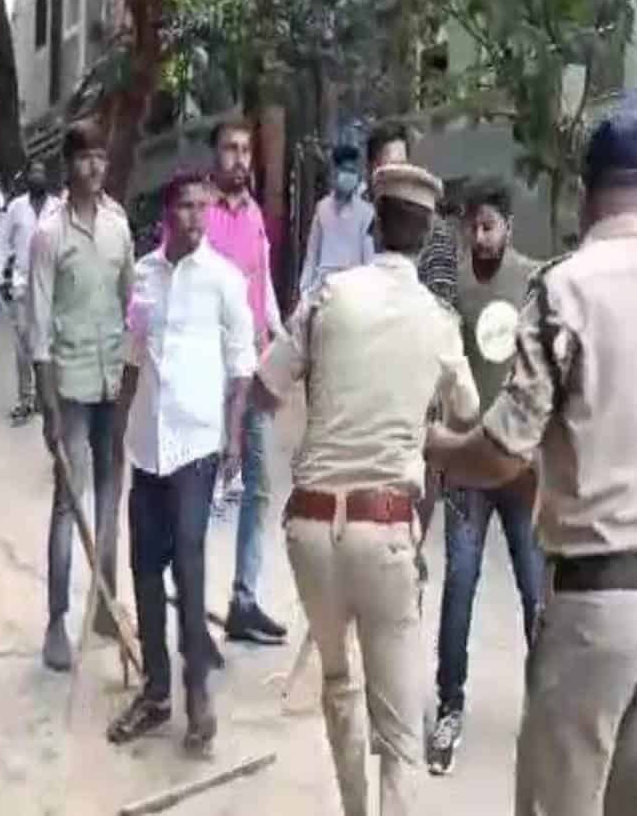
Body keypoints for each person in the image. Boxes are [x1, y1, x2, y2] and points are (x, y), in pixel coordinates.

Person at [425, 112, 637, 816]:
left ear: (584, 193)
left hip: (596, 606)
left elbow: (502, 450)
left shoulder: (563, 289)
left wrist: (435, 447)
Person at [253, 163, 478, 815]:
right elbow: (465, 416)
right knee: (401, 732)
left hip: (311, 529)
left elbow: (265, 389)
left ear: (375, 224)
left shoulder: (329, 296)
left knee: (338, 681)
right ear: (428, 236)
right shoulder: (438, 321)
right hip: (384, 534)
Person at [107, 171, 255, 754]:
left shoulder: (224, 279)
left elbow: (241, 366)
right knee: (145, 568)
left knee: (188, 566)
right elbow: (134, 355)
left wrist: (234, 437)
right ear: (167, 212)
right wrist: (117, 429)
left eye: (203, 207)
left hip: (196, 445)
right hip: (147, 444)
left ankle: (197, 692)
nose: (197, 217)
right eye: (187, 207)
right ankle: (156, 692)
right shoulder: (144, 275)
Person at [427, 176, 543, 776]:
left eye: (489, 226)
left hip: (520, 466)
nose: (480, 236)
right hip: (466, 466)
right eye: (472, 226)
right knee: (460, 584)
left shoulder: (533, 282)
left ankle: (549, 708)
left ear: (508, 228)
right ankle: (450, 706)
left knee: (536, 590)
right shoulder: (451, 289)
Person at [28, 121, 134, 672]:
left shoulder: (119, 227)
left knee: (111, 495)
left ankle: (105, 608)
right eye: (85, 157)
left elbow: (130, 305)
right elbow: (38, 325)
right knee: (67, 503)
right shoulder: (49, 233)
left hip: (111, 382)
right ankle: (56, 622)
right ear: (67, 165)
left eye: (101, 157)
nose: (95, 167)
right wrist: (46, 404)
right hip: (69, 386)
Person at [196, 117, 287, 646]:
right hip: (209, 373)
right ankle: (190, 602)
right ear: (215, 155)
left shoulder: (254, 215)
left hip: (252, 368)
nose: (239, 159)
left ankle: (244, 601)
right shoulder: (199, 214)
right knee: (202, 489)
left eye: (246, 150)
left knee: (259, 485)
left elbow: (263, 283)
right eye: (230, 149)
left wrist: (281, 339)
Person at [0, 159, 59, 425]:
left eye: (41, 172)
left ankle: (46, 397)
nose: (37, 176)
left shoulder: (59, 209)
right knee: (23, 345)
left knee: (48, 344)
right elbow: (3, 244)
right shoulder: (16, 208)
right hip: (22, 285)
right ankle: (25, 399)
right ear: (28, 177)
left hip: (52, 286)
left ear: (47, 177)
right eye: (33, 172)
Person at [298, 143, 375, 297]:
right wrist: (304, 292)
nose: (348, 176)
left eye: (352, 171)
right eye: (344, 170)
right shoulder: (322, 208)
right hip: (323, 288)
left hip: (354, 290)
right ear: (335, 172)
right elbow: (312, 256)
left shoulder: (366, 213)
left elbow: (369, 261)